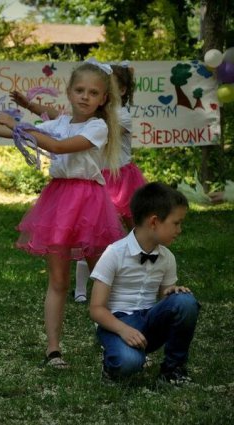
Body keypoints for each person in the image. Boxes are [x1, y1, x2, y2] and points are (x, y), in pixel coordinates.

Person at [0, 59, 125, 368]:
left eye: (93, 92)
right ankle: (53, 349)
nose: (85, 96)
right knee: (57, 280)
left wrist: (16, 124)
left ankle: (113, 335)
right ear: (69, 92)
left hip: (90, 203)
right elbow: (13, 134)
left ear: (103, 99)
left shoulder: (98, 126)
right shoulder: (59, 122)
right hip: (59, 201)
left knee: (103, 276)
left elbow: (58, 147)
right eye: (80, 90)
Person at [89, 182, 199, 384]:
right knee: (129, 364)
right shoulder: (114, 253)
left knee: (185, 301)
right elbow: (96, 309)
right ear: (154, 222)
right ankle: (111, 365)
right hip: (118, 323)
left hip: (150, 320)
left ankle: (173, 369)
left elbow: (165, 297)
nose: (179, 229)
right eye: (176, 223)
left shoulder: (167, 258)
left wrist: (173, 292)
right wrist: (123, 329)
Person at [74, 63, 147, 302]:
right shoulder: (95, 115)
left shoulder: (121, 116)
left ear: (122, 90)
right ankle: (81, 289)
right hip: (99, 178)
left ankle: (138, 276)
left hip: (122, 178)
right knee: (91, 233)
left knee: (134, 228)